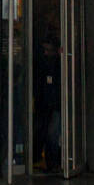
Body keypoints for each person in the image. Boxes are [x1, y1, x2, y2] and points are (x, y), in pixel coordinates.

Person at [33, 37, 62, 173]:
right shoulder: (43, 66)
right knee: (45, 132)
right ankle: (49, 161)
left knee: (52, 134)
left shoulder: (57, 67)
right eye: (44, 50)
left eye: (49, 50)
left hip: (55, 104)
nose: (46, 53)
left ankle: (53, 162)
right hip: (45, 104)